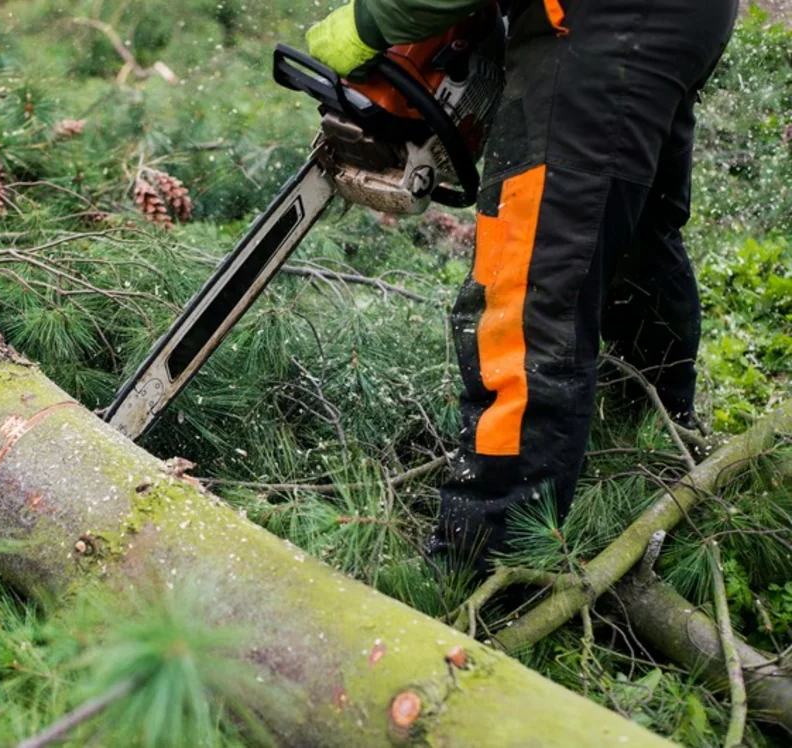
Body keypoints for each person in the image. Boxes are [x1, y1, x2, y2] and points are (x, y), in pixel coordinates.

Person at [306, 0, 737, 568]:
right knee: (631, 238)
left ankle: (489, 560)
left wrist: (371, 23)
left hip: (601, 20)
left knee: (531, 287)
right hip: (676, 19)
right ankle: (649, 440)